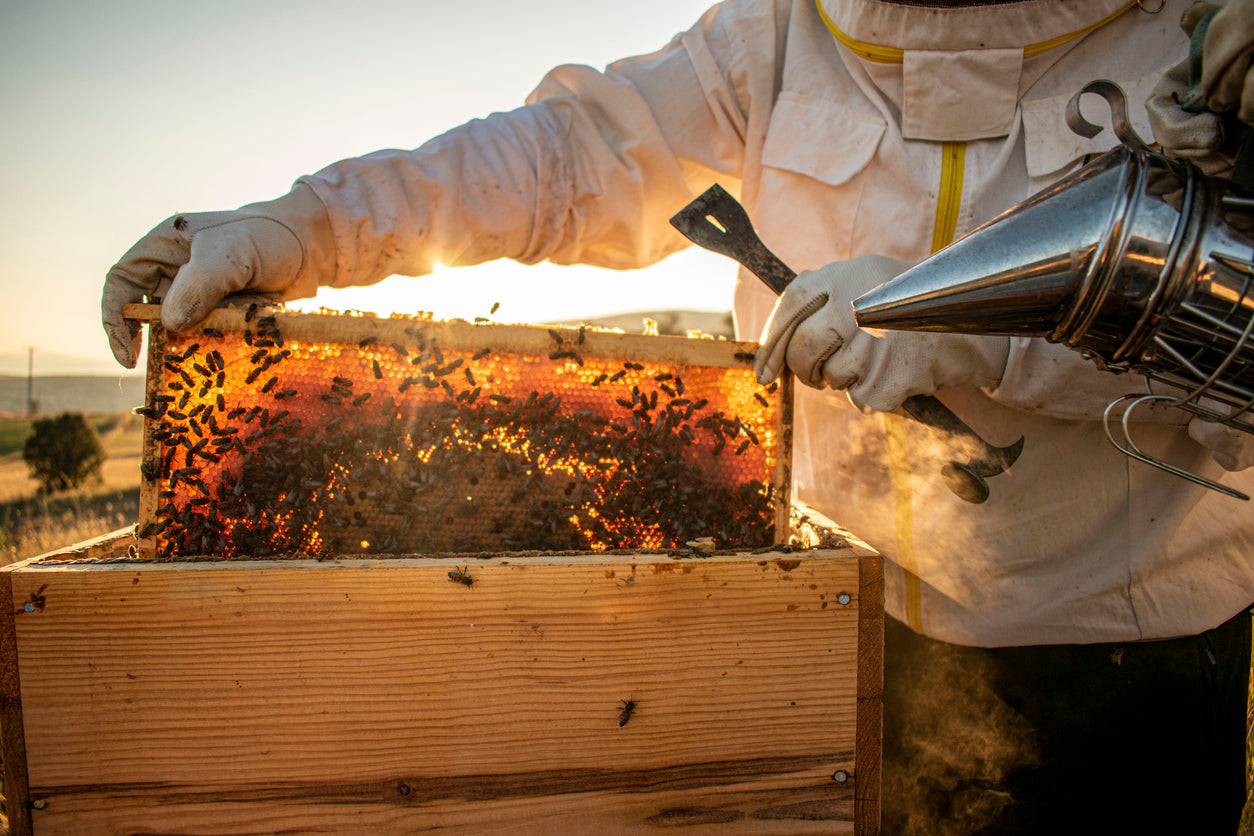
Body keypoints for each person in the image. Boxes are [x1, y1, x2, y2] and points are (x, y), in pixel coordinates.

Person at [102, 0, 1254, 831]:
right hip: (837, 626)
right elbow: (568, 153)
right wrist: (305, 225)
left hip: (1129, 651)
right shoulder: (785, 35)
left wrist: (968, 326)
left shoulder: (1200, 42)